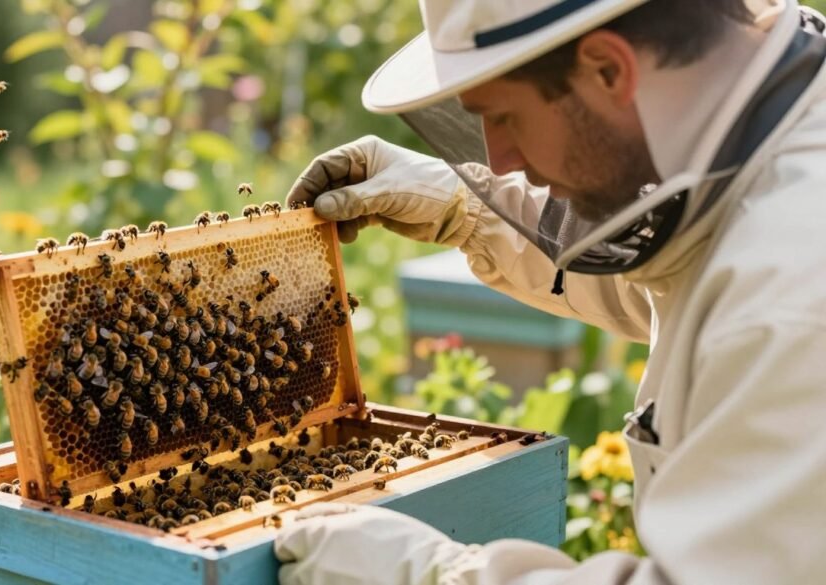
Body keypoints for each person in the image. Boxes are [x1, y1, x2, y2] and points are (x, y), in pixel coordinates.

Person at [273, 0, 826, 583]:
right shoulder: (771, 154)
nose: (499, 158)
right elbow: (676, 289)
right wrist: (467, 211)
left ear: (609, 70)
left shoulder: (792, 292)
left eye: (504, 116)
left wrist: (427, 575)